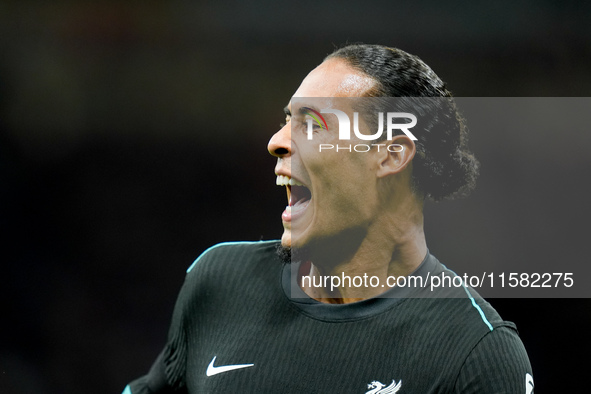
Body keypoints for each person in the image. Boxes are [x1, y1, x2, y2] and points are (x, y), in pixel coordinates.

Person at [122, 44, 533, 393]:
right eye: (288, 120)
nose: (276, 142)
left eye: (311, 124)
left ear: (390, 154)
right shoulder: (219, 284)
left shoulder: (475, 353)